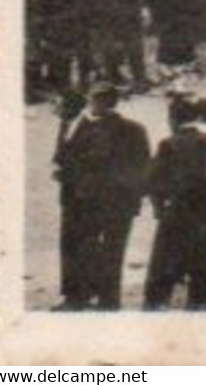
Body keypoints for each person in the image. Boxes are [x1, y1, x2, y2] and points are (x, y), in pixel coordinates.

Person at [53, 81, 152, 310]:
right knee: (112, 251)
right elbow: (144, 169)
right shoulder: (135, 129)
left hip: (85, 201)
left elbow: (65, 160)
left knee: (78, 247)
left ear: (95, 101)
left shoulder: (82, 127)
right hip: (117, 203)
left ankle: (77, 297)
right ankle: (108, 299)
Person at [143, 97, 206, 310]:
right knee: (201, 262)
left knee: (164, 262)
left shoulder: (169, 144)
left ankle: (157, 303)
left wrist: (159, 207)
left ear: (173, 119)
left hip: (176, 210)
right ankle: (198, 303)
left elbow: (152, 181)